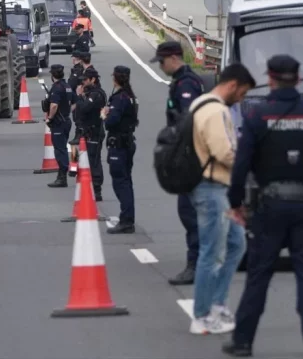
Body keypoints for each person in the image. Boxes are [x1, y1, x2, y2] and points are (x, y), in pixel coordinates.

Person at [223, 56, 303, 357]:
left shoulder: (258, 116)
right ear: (298, 80)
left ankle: (243, 342)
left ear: (270, 79)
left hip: (270, 205)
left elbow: (241, 165)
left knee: (259, 274)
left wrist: (235, 203)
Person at [186, 63, 254, 336]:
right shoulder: (216, 110)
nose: (242, 99)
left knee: (236, 243)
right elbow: (224, 151)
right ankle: (202, 315)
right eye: (243, 93)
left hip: (211, 186)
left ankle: (217, 304)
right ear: (233, 85)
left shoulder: (201, 104)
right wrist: (250, 162)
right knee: (212, 252)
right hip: (211, 187)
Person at [150, 40, 205, 286]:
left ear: (173, 58)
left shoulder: (187, 85)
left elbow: (188, 120)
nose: (161, 67)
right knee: (191, 211)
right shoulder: (185, 81)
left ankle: (196, 264)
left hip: (190, 157)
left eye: (162, 62)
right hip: (190, 155)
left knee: (190, 212)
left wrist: (173, 144)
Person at [102, 65, 139, 234]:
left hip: (119, 144)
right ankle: (128, 217)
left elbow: (111, 122)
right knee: (126, 180)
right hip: (128, 142)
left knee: (120, 183)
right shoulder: (130, 96)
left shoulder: (120, 98)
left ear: (115, 78)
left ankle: (126, 220)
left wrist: (105, 115)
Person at [74, 66, 107, 201]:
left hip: (94, 131)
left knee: (94, 161)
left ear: (93, 79)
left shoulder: (97, 94)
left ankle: (97, 189)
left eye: (86, 80)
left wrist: (80, 97)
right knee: (78, 155)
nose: (83, 83)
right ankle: (83, 183)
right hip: (85, 131)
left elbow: (84, 108)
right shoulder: (89, 93)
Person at [44, 63, 72, 188]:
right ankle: (64, 173)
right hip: (66, 120)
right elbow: (75, 101)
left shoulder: (56, 88)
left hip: (59, 122)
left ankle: (62, 177)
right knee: (63, 147)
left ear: (52, 74)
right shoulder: (67, 86)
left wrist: (50, 117)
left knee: (60, 149)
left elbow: (54, 105)